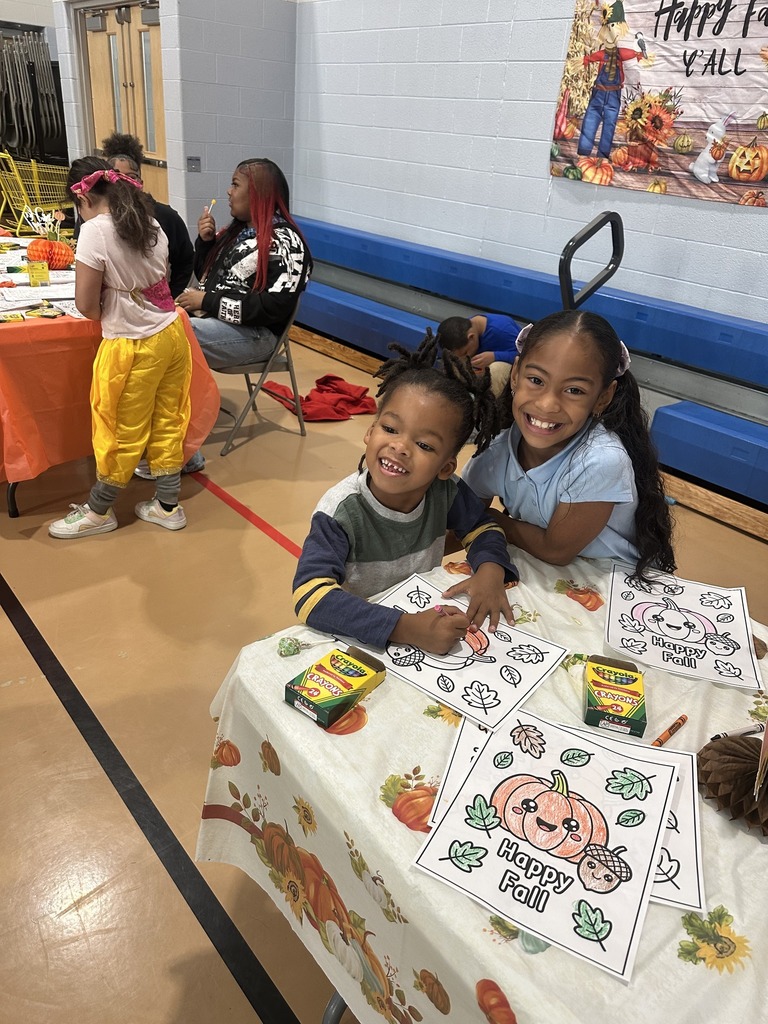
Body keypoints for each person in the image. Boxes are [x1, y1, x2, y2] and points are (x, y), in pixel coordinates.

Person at [292, 332, 519, 653]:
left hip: (421, 605)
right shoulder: (340, 509)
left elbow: (484, 527)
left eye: (424, 445)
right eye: (390, 428)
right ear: (370, 433)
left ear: (445, 466)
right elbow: (310, 596)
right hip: (362, 632)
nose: (400, 446)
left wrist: (491, 570)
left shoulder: (446, 490)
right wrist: (404, 627)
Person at [462, 310, 675, 582]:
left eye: (574, 390)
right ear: (515, 374)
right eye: (536, 380)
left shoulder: (600, 460)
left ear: (603, 397)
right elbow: (463, 517)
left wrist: (494, 520)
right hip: (541, 565)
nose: (547, 404)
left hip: (612, 578)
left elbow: (556, 550)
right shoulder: (498, 447)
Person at [48, 157, 192, 539]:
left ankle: (99, 511)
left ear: (85, 199)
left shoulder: (95, 230)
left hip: (133, 343)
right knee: (167, 419)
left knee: (117, 427)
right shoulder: (151, 222)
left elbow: (86, 306)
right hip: (172, 335)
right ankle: (166, 504)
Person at [172, 158, 312, 473]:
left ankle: (180, 447)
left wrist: (207, 302)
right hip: (222, 325)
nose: (228, 191)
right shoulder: (241, 232)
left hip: (259, 336)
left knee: (171, 339)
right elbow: (210, 278)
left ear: (258, 194)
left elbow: (272, 309)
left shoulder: (288, 243)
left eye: (236, 184)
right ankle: (165, 436)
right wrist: (206, 245)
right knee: (162, 329)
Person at [100, 132, 194, 299]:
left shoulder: (165, 217)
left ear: (140, 183)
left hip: (155, 305)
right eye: (116, 176)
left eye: (130, 177)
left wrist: (172, 295)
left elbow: (186, 260)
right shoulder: (97, 218)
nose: (123, 183)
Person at [576, 1, 642, 160]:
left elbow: (630, 53)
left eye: (615, 29)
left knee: (609, 125)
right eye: (608, 29)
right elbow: (591, 58)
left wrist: (639, 55)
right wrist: (583, 61)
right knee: (591, 119)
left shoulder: (621, 53)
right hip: (598, 91)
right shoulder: (602, 53)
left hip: (614, 94)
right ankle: (584, 152)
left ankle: (603, 156)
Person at [436, 313, 521, 398]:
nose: (466, 356)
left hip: (513, 370)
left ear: (471, 337)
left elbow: (525, 356)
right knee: (454, 363)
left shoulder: (502, 330)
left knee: (497, 369)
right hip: (483, 369)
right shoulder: (464, 329)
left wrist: (495, 356)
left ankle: (489, 405)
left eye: (466, 352)